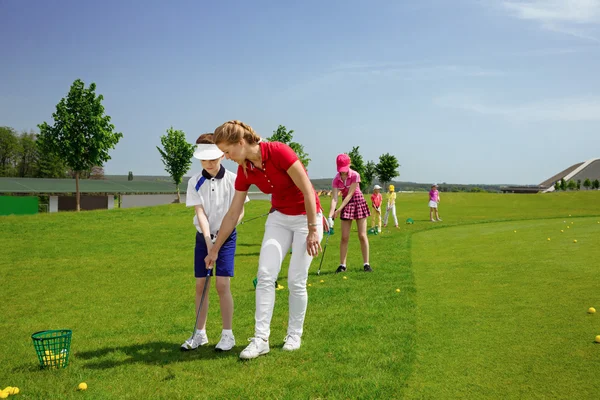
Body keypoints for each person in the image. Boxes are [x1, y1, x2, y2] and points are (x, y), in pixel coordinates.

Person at [205, 120, 324, 360]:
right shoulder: (245, 169)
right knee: (266, 275)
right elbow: (233, 212)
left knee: (296, 279)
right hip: (279, 218)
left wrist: (313, 229)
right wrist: (215, 248)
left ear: (241, 143)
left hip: (306, 218)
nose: (226, 157)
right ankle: (261, 339)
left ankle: (294, 334)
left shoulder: (279, 152)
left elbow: (308, 191)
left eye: (227, 152)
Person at [181, 133, 248, 352]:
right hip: (203, 238)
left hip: (227, 237)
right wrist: (210, 245)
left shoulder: (232, 178)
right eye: (204, 159)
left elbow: (239, 211)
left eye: (213, 158)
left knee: (222, 284)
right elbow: (200, 213)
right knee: (201, 285)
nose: (209, 163)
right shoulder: (194, 182)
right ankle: (200, 334)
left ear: (221, 154)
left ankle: (228, 335)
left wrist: (220, 241)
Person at [327, 153, 372, 273]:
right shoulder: (336, 179)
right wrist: (330, 215)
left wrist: (339, 209)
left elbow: (351, 194)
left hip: (358, 201)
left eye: (345, 169)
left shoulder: (355, 175)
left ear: (349, 165)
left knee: (362, 235)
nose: (343, 172)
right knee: (344, 237)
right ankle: (342, 265)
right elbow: (334, 198)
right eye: (341, 170)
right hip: (345, 204)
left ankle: (366, 264)